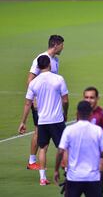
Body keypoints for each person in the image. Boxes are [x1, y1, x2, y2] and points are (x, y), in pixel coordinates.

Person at [18, 55, 69, 186]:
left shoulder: (33, 83)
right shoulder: (58, 79)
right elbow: (65, 100)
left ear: (38, 67)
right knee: (63, 148)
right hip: (57, 119)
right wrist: (65, 113)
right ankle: (69, 175)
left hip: (42, 121)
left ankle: (42, 178)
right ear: (50, 65)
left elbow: (27, 104)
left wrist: (23, 122)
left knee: (43, 148)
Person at [54, 101, 103, 197]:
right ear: (91, 113)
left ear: (77, 113)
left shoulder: (69, 130)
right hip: (92, 177)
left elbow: (60, 151)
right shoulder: (98, 130)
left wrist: (56, 170)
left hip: (74, 177)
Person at [25, 34, 65, 170]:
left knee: (42, 131)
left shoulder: (56, 60)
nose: (63, 48)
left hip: (51, 103)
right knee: (38, 131)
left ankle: (35, 161)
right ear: (56, 45)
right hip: (39, 102)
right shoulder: (41, 59)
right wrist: (34, 100)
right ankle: (31, 161)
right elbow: (30, 79)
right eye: (62, 45)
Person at [83, 86, 103, 194]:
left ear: (97, 98)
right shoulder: (81, 114)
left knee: (96, 193)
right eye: (86, 97)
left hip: (96, 163)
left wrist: (102, 161)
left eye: (92, 97)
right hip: (80, 163)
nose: (89, 100)